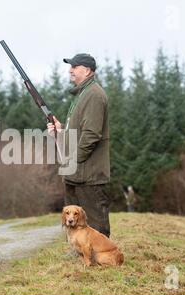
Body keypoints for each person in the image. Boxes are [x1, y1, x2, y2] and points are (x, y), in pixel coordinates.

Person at [48, 53, 111, 237]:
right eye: (71, 67)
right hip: (76, 174)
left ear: (87, 70)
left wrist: (72, 162)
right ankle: (81, 259)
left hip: (88, 175)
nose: (70, 70)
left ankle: (104, 261)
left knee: (95, 226)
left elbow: (91, 135)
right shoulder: (82, 94)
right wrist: (60, 131)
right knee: (76, 227)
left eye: (75, 67)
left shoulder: (94, 94)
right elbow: (78, 133)